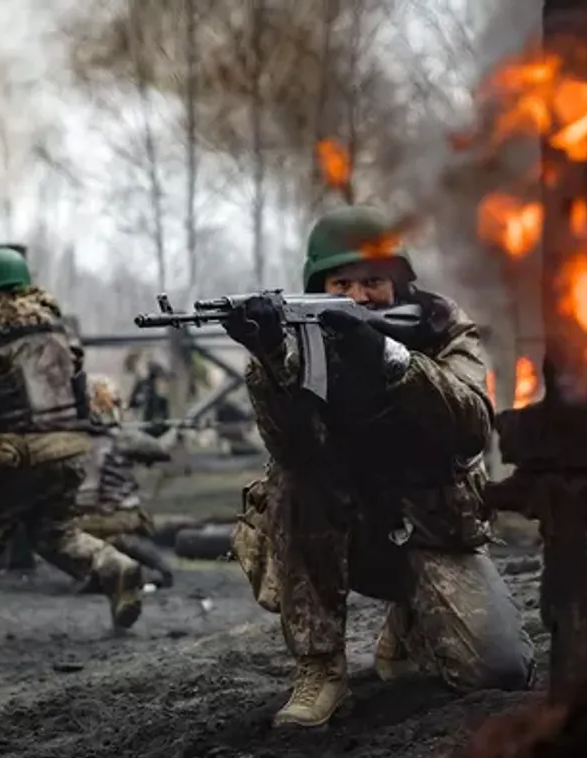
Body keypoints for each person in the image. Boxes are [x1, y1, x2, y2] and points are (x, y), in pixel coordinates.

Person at [227, 206, 535, 728]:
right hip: (336, 531)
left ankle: (408, 623)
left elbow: (472, 425)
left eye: (373, 281)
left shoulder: (439, 326)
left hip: (430, 528)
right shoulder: (298, 341)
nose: (359, 295)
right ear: (319, 288)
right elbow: (291, 446)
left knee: (500, 670)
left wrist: (390, 357)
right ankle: (320, 668)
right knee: (295, 479)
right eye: (342, 283)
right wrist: (270, 362)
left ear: (399, 282)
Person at [0, 244, 144, 650]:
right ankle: (113, 564)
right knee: (55, 533)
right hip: (69, 449)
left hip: (13, 454)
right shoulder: (55, 326)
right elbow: (79, 384)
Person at [75, 375, 174, 586]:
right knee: (125, 531)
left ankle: (99, 572)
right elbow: (161, 452)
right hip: (116, 517)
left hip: (80, 519)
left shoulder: (68, 439)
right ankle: (146, 568)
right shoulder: (123, 439)